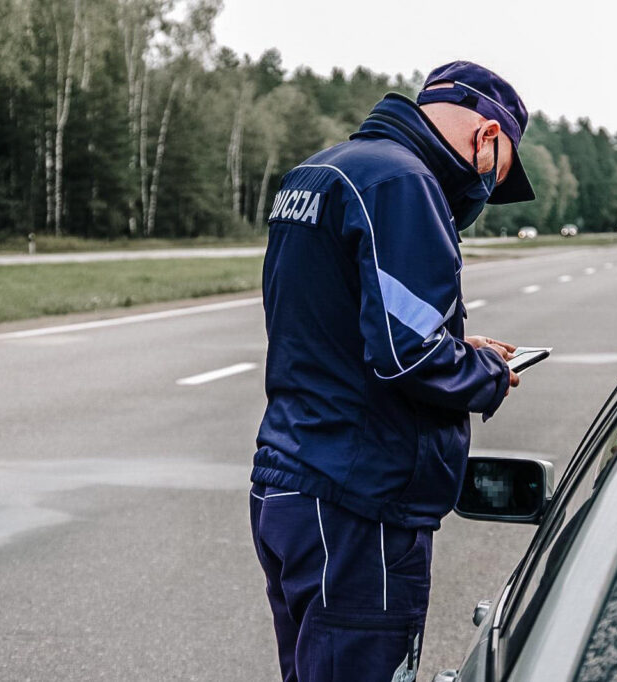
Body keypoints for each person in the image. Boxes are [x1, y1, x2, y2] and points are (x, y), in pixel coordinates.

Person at [249, 60, 535, 682]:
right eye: (501, 172)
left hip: (289, 483)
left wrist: (456, 342)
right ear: (488, 138)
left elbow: (339, 325)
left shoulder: (321, 171)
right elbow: (410, 355)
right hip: (359, 504)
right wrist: (485, 373)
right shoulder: (405, 185)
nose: (486, 192)